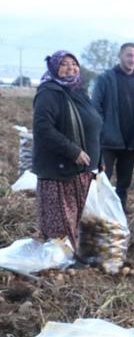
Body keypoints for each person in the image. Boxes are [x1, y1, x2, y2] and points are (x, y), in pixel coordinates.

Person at [31, 50, 103, 253]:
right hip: (58, 171)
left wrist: (100, 157)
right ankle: (57, 263)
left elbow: (94, 125)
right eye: (64, 64)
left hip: (82, 170)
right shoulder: (49, 93)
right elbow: (43, 129)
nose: (70, 67)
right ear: (54, 68)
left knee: (77, 220)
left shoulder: (79, 90)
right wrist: (73, 151)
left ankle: (71, 257)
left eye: (74, 63)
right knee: (60, 224)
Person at [91, 42, 134, 212]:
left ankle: (119, 217)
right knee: (102, 182)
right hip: (108, 142)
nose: (132, 59)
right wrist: (101, 132)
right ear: (120, 56)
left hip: (131, 142)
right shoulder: (105, 79)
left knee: (124, 184)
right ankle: (98, 216)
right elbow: (95, 107)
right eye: (129, 55)